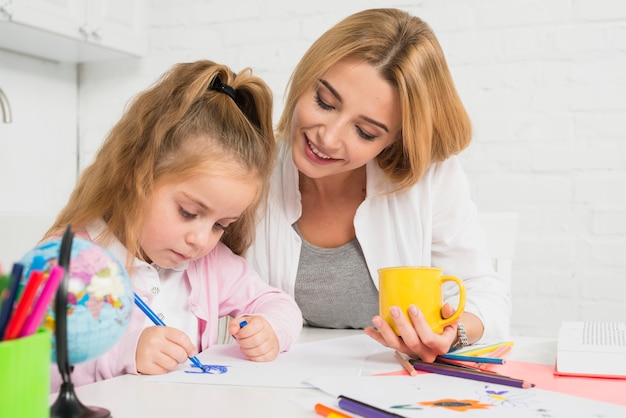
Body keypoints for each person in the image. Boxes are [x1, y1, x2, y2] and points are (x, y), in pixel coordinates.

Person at [245, 8, 510, 362]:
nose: (329, 137)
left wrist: (453, 332)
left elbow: (485, 296)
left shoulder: (431, 177)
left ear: (396, 139)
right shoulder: (248, 166)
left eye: (366, 132)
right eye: (324, 102)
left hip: (391, 382)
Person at [44, 60, 303, 392]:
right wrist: (125, 353)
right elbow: (36, 364)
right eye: (188, 212)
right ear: (134, 174)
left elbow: (280, 305)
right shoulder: (68, 260)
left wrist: (269, 329)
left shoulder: (210, 264)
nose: (200, 240)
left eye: (220, 225)